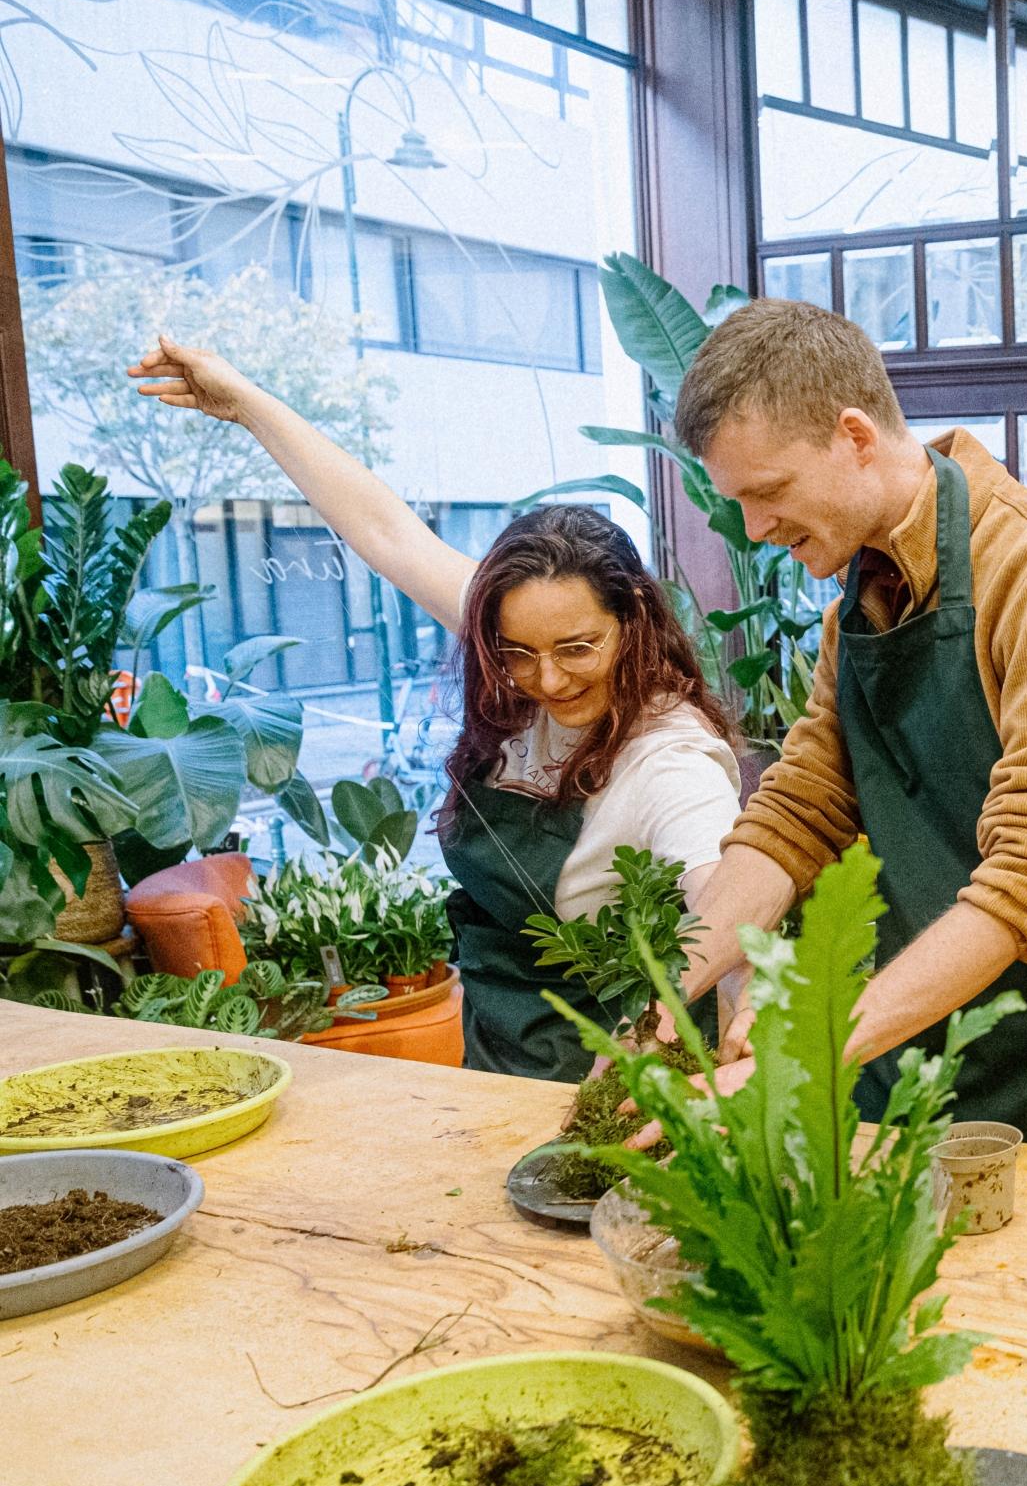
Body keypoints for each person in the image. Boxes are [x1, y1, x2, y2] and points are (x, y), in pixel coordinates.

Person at [127, 338, 742, 1082]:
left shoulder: (670, 758)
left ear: (632, 621)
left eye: (577, 648)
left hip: (615, 1081)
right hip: (491, 1057)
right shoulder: (525, 633)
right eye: (518, 651)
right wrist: (245, 403)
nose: (543, 678)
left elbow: (724, 901)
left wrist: (740, 1046)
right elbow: (386, 532)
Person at [663, 299, 1027, 1160]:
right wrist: (667, 986)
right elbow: (802, 812)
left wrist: (806, 1045)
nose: (756, 530)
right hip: (912, 1052)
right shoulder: (856, 609)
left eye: (767, 493)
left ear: (854, 435)